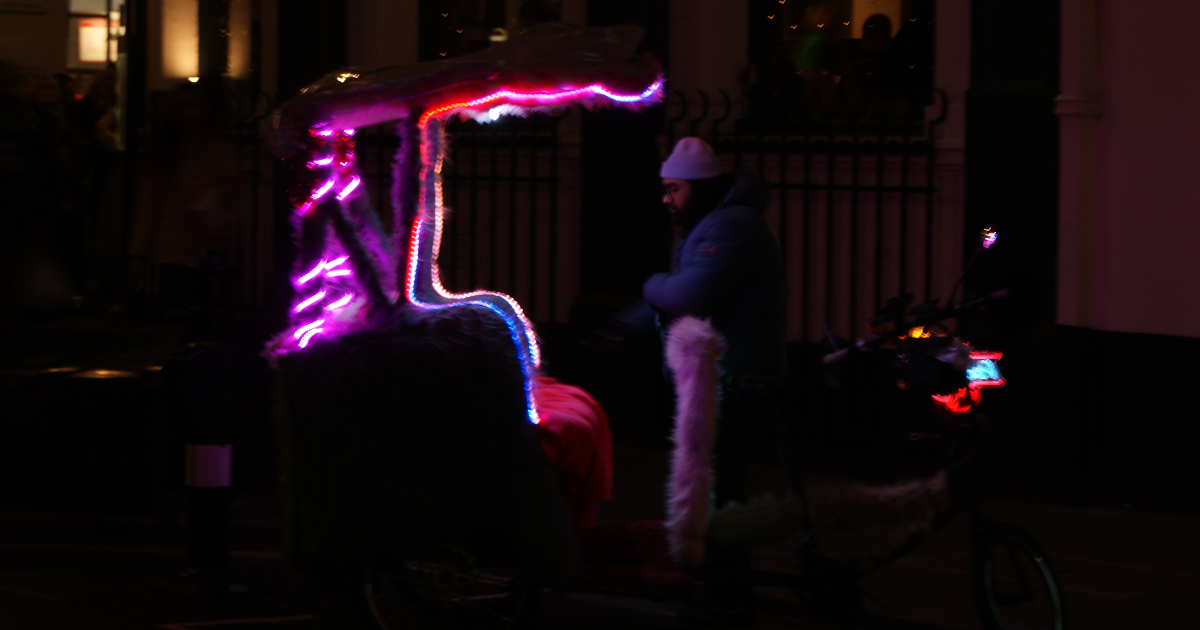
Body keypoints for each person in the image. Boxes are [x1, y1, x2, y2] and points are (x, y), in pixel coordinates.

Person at [644, 137, 788, 626]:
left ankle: (728, 590)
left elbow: (689, 291)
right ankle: (721, 582)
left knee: (725, 485)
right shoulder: (710, 223)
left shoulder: (731, 225)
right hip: (726, 374)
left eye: (674, 188)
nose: (666, 198)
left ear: (701, 188)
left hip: (738, 375)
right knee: (719, 484)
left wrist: (649, 287)